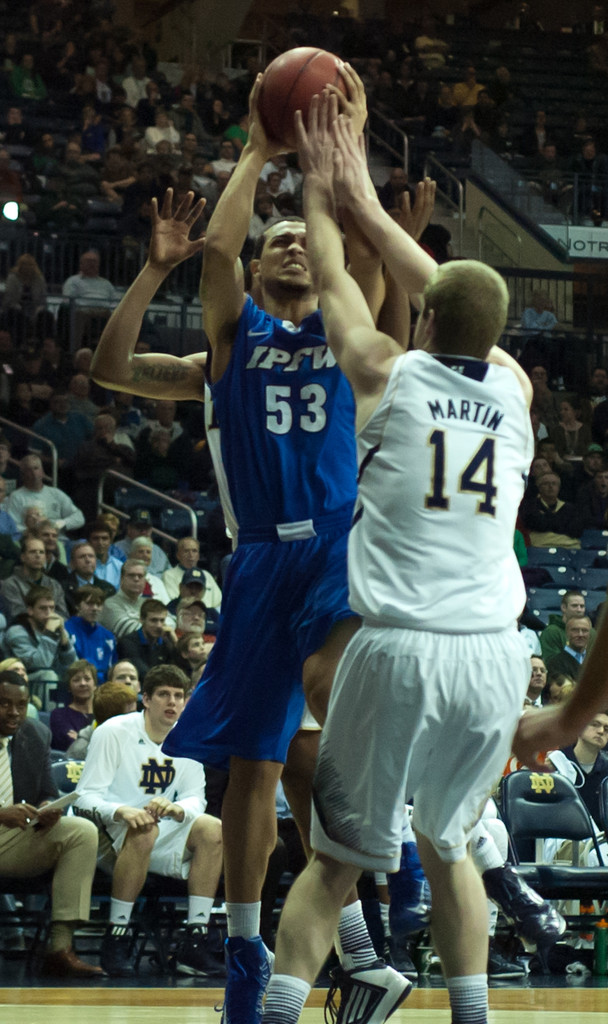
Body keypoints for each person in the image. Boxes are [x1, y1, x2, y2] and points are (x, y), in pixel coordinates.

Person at [90, 66, 410, 1024]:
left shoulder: (356, 344)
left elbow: (372, 265)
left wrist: (347, 176)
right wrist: (262, 153)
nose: (290, 252)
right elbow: (209, 262)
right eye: (277, 245)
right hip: (261, 555)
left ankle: (355, 934)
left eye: (300, 243)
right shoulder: (231, 342)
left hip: (343, 548)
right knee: (257, 771)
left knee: (319, 721)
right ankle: (256, 951)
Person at [258, 96, 534, 1024]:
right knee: (451, 845)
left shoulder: (385, 369)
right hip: (496, 652)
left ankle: (283, 1010)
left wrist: (331, 180)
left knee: (336, 860)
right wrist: (377, 208)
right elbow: (462, 297)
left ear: (422, 322)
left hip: (400, 645)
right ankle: (472, 1014)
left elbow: (333, 269)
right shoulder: (520, 391)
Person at [75, 664, 224, 978]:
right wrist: (122, 811)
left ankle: (194, 941)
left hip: (164, 828)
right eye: (163, 695)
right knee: (144, 828)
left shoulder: (191, 738)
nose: (172, 702)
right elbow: (85, 795)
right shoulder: (113, 731)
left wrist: (176, 808)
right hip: (115, 832)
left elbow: (197, 799)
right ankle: (116, 933)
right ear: (146, 699)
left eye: (179, 696)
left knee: (213, 829)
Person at [0, 669, 102, 977]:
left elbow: (46, 792)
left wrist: (47, 809)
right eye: (4, 704)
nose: (15, 712)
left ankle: (59, 948)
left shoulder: (35, 734)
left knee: (82, 831)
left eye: (20, 704)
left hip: (13, 838)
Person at [3, 585, 77, 706]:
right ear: (30, 610)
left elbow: (72, 665)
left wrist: (65, 643)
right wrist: (49, 634)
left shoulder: (55, 629)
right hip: (21, 681)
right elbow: (40, 664)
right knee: (49, 675)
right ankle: (50, 716)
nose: (49, 613)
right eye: (43, 608)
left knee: (82, 677)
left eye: (52, 608)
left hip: (48, 680)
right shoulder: (16, 632)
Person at [5, 454, 85, 536]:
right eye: (28, 470)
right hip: (30, 541)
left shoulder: (56, 493)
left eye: (36, 468)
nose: (33, 473)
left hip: (58, 540)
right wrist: (34, 530)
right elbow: (12, 526)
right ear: (22, 475)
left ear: (42, 472)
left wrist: (57, 524)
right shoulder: (16, 497)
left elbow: (79, 518)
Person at [1, 533, 68, 622]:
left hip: (52, 631)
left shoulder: (54, 584)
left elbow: (64, 615)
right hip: (23, 631)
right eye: (32, 552)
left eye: (41, 552)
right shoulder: (10, 584)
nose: (38, 556)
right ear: (23, 557)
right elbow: (17, 615)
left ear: (45, 558)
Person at [65, 584, 117, 682]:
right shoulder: (67, 630)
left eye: (99, 604)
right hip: (77, 684)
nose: (95, 608)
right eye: (89, 603)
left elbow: (112, 669)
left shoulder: (108, 637)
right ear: (77, 605)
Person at [117, 597, 177, 679]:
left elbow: (180, 670)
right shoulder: (128, 642)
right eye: (153, 620)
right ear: (141, 619)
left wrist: (175, 643)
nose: (159, 625)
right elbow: (144, 673)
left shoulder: (165, 642)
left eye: (162, 620)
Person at [162, 536, 222, 608]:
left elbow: (219, 601)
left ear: (198, 556)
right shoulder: (169, 575)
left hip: (210, 615)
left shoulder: (207, 575)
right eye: (186, 551)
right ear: (178, 555)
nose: (191, 555)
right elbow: (175, 599)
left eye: (194, 551)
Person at [50, 659, 96, 751]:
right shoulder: (59, 715)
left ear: (95, 685)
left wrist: (79, 737)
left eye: (87, 679)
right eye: (76, 680)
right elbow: (70, 744)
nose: (82, 683)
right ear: (69, 687)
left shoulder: (103, 714)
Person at [540, 589, 594, 663]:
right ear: (563, 607)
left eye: (582, 606)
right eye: (574, 606)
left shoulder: (592, 632)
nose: (579, 610)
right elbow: (552, 663)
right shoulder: (552, 632)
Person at [63, 540, 116, 615]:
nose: (88, 560)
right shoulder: (63, 588)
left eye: (91, 556)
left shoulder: (108, 589)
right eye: (82, 557)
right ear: (72, 563)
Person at [99, 560, 148, 638]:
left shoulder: (148, 603)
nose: (136, 579)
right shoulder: (109, 604)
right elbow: (131, 631)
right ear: (121, 579)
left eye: (140, 576)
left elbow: (171, 621)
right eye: (131, 575)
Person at [546, 614, 592, 681]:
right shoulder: (555, 663)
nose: (580, 634)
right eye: (575, 630)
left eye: (585, 630)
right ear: (567, 633)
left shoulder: (596, 662)